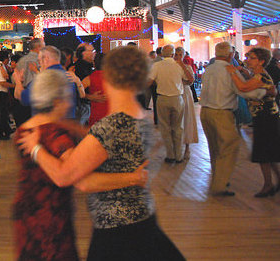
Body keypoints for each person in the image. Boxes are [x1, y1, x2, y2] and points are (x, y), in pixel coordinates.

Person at [18, 46, 184, 261]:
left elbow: (67, 177)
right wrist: (71, 126)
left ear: (108, 76)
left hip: (116, 228)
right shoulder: (140, 116)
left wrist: (35, 148)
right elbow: (108, 146)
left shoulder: (112, 126)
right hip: (141, 216)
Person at [13, 68, 148, 261]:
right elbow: (82, 181)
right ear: (57, 101)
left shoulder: (26, 128)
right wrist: (134, 178)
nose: (70, 102)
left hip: (26, 208)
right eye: (68, 97)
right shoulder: (55, 135)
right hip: (49, 213)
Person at [200, 42, 267, 196]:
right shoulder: (229, 71)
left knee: (214, 148)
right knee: (230, 146)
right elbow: (242, 90)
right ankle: (220, 185)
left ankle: (218, 179)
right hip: (221, 113)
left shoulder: (208, 69)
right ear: (230, 55)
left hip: (206, 112)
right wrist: (261, 93)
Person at [226, 47, 280, 197]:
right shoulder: (258, 74)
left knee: (263, 152)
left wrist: (232, 72)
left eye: (252, 58)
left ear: (261, 61)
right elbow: (253, 79)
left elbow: (243, 87)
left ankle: (268, 185)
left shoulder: (260, 77)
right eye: (248, 56)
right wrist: (243, 71)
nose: (247, 59)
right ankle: (275, 181)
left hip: (266, 118)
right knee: (269, 151)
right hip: (265, 117)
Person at [148, 45, 194, 163]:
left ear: (162, 54)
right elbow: (190, 80)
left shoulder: (157, 65)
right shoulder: (178, 66)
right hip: (177, 99)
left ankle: (170, 155)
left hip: (163, 99)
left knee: (165, 128)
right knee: (178, 128)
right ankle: (179, 156)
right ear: (173, 54)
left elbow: (149, 82)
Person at [175, 47, 198, 159]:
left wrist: (182, 66)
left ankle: (187, 148)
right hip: (175, 93)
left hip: (185, 94)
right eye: (176, 54)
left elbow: (190, 80)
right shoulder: (171, 67)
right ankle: (176, 148)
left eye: (180, 54)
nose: (178, 56)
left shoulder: (187, 67)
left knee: (187, 118)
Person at [74, 42, 96, 125]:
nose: (94, 53)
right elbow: (77, 88)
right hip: (82, 106)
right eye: (92, 50)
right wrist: (90, 97)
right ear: (83, 53)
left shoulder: (87, 66)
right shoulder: (80, 68)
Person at [84, 52, 108, 127]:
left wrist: (89, 96)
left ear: (94, 63)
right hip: (111, 116)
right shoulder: (114, 77)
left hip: (96, 115)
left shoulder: (90, 78)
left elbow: (76, 92)